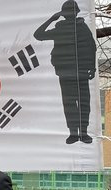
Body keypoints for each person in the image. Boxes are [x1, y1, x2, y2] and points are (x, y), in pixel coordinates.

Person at [34, 0, 96, 144]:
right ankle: (73, 133)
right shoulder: (60, 29)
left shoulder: (82, 27)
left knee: (83, 103)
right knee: (69, 103)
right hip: (65, 72)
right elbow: (38, 35)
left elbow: (91, 47)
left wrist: (92, 68)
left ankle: (84, 133)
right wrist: (52, 19)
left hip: (81, 72)